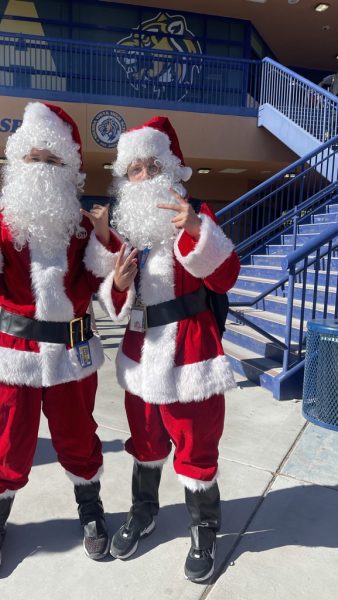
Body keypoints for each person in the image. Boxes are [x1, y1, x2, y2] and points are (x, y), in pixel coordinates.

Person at [0, 101, 121, 577]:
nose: (44, 169)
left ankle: (90, 511)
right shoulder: (1, 222)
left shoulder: (82, 227)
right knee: (8, 443)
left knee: (79, 438)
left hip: (71, 353)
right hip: (15, 353)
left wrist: (106, 240)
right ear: (18, 163)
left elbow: (96, 284)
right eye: (35, 159)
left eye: (54, 161)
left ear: (69, 168)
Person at [97, 116, 240, 582]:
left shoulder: (197, 214)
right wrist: (115, 286)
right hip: (142, 350)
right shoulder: (131, 231)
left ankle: (204, 528)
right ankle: (144, 511)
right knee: (145, 440)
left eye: (150, 166)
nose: (141, 176)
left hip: (191, 351)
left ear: (171, 168)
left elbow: (224, 277)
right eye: (133, 169)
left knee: (197, 446)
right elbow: (117, 300)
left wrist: (197, 228)